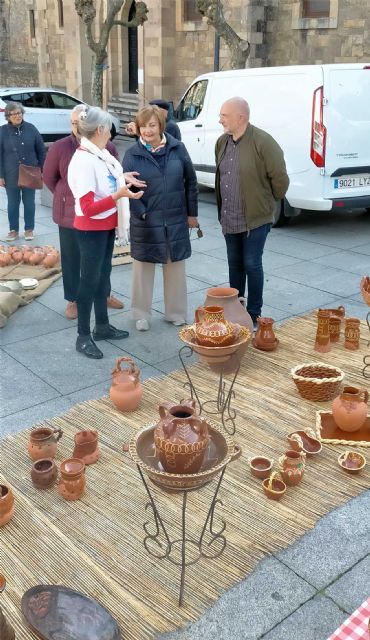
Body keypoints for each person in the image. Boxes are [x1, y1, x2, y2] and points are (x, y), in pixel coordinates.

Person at [43, 104, 140, 319]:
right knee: (72, 259)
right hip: (71, 213)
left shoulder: (108, 148)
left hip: (102, 213)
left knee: (102, 262)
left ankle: (104, 295)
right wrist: (67, 195)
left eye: (80, 122)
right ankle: (73, 300)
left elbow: (113, 175)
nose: (76, 127)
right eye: (73, 123)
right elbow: (49, 178)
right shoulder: (60, 147)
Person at [67, 106, 144, 359]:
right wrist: (118, 194)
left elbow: (107, 179)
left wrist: (122, 177)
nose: (112, 132)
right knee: (89, 282)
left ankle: (101, 326)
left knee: (102, 279)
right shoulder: (84, 160)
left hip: (105, 226)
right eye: (109, 127)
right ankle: (82, 336)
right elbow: (88, 207)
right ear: (100, 129)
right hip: (91, 229)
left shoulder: (99, 154)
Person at [121, 104, 198, 331]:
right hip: (145, 221)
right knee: (142, 270)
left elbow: (190, 182)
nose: (148, 130)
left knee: (175, 268)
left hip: (174, 219)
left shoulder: (178, 148)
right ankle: (140, 314)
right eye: (143, 126)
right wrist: (141, 211)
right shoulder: (132, 154)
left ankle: (175, 313)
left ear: (161, 125)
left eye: (152, 125)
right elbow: (126, 188)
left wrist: (192, 214)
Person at [216, 97, 289, 327]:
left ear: (241, 118)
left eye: (224, 116)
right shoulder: (221, 142)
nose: (220, 120)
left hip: (255, 220)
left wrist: (266, 202)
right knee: (234, 264)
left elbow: (280, 180)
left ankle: (254, 313)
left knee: (252, 264)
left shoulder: (263, 142)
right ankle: (236, 309)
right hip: (229, 218)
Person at [0, 101, 46, 241]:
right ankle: (13, 230)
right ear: (8, 116)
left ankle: (29, 230)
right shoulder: (2, 131)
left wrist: (41, 170)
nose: (17, 116)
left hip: (30, 173)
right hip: (10, 174)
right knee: (13, 203)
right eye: (13, 114)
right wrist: (0, 175)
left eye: (19, 113)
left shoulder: (31, 129)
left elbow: (41, 151)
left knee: (29, 202)